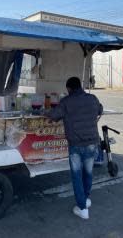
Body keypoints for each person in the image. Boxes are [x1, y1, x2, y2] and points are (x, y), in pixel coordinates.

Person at [46, 76, 103, 219]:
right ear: (80, 86)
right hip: (91, 143)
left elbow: (53, 115)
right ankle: (86, 199)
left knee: (77, 176)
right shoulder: (92, 98)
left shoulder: (66, 102)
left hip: (76, 145)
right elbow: (100, 109)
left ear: (69, 89)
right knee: (88, 173)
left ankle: (82, 208)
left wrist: (43, 111)